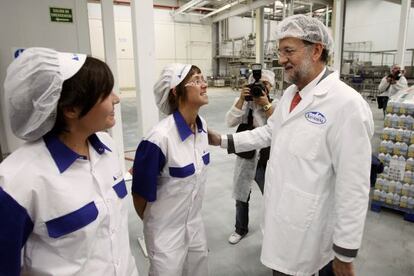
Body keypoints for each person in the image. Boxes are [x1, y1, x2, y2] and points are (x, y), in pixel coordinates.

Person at [209, 14, 374, 276]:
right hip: (283, 222)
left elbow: (353, 185)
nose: (281, 59)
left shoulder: (346, 105)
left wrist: (345, 251)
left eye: (289, 51)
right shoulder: (291, 94)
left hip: (312, 233)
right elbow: (270, 132)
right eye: (279, 51)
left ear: (316, 50)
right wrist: (223, 140)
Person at [0, 48, 138, 275]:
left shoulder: (107, 147)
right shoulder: (17, 182)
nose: (117, 99)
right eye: (105, 93)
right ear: (71, 109)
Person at [131, 64, 209, 276]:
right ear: (176, 91)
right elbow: (139, 197)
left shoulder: (201, 128)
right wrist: (158, 226)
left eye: (204, 78)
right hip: (165, 235)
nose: (205, 84)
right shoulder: (158, 140)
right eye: (197, 80)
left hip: (195, 226)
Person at [226, 69, 278, 244]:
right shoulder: (244, 104)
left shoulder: (275, 104)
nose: (261, 87)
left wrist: (265, 104)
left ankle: (273, 231)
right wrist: (241, 99)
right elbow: (230, 121)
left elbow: (280, 126)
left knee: (272, 197)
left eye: (266, 84)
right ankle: (240, 228)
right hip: (246, 158)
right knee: (241, 196)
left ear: (271, 87)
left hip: (267, 159)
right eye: (258, 84)